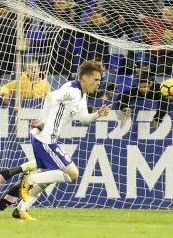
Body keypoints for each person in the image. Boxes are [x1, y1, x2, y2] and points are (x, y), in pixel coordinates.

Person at [15, 60, 111, 221]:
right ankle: (29, 179)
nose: (98, 83)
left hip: (45, 138)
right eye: (96, 79)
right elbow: (51, 96)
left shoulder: (81, 93)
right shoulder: (73, 91)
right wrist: (43, 120)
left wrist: (97, 114)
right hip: (46, 139)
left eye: (99, 80)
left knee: (47, 178)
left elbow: (83, 119)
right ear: (84, 78)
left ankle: (21, 209)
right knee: (72, 174)